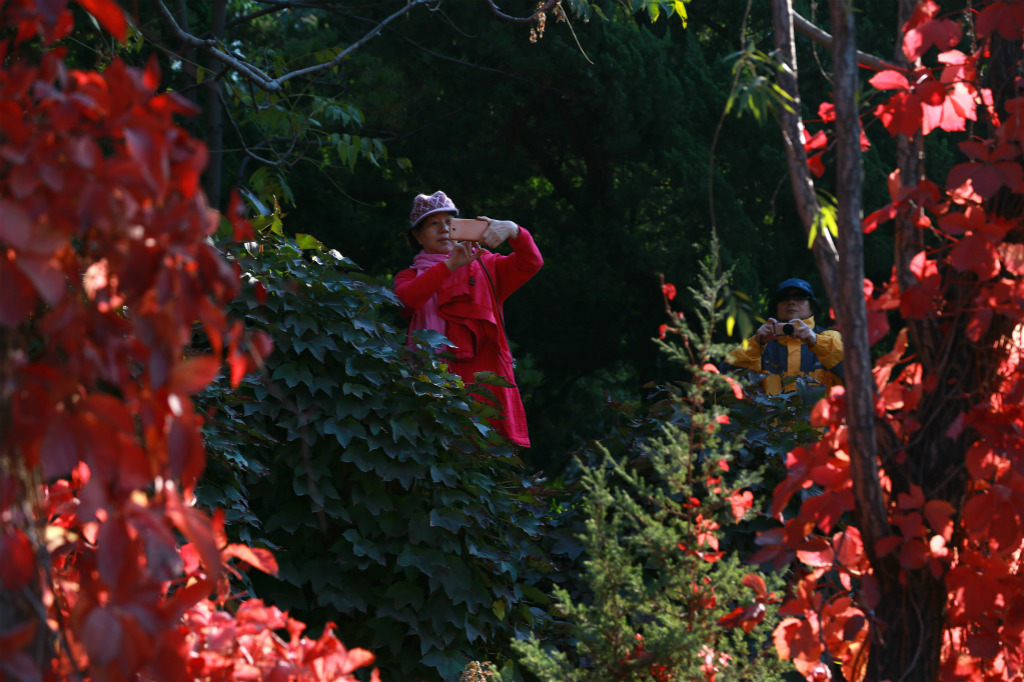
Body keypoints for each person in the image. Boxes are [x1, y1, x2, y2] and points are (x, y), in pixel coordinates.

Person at [394, 190, 543, 447]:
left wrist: (514, 230)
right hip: (431, 385)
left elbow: (531, 262)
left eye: (449, 222)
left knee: (485, 468)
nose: (443, 229)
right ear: (417, 236)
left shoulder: (486, 265)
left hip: (483, 386)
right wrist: (449, 265)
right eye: (433, 223)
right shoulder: (409, 276)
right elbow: (407, 300)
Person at [722, 278, 844, 396]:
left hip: (819, 417)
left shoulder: (830, 339)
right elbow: (726, 382)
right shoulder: (758, 343)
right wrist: (756, 345)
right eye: (784, 297)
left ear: (812, 306)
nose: (791, 302)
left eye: (800, 296)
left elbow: (855, 377)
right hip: (771, 417)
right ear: (775, 307)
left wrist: (817, 342)